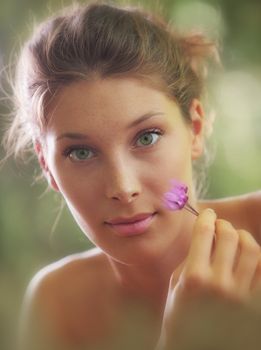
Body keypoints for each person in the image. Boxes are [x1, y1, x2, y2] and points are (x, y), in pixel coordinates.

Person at [3, 1, 261, 349]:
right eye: (81, 152)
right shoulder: (55, 305)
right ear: (47, 165)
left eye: (146, 137)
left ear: (196, 128)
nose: (122, 188)